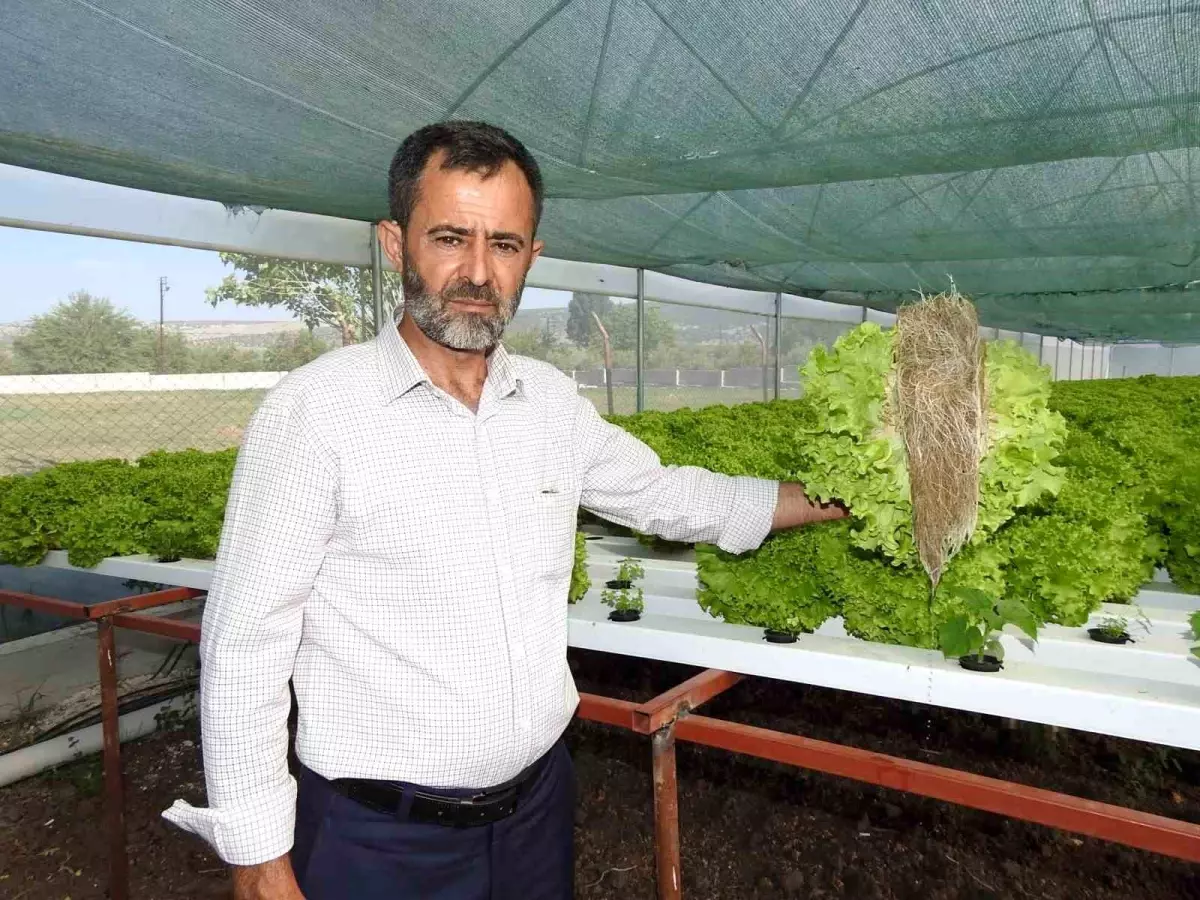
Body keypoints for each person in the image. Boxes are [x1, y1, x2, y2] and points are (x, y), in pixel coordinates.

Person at [164, 120, 848, 900]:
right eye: (449, 238)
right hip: (379, 839)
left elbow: (666, 494)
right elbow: (246, 641)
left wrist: (831, 498)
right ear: (394, 243)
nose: (477, 272)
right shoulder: (316, 413)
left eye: (505, 245)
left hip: (536, 815)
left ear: (533, 258)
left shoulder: (550, 404)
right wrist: (258, 857)